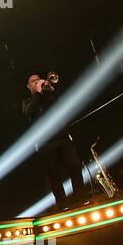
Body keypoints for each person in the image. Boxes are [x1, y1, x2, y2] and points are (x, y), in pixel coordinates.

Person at [22, 72, 86, 210]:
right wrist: (38, 93)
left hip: (62, 137)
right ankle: (62, 204)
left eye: (39, 79)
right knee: (54, 175)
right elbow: (31, 113)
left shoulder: (49, 97)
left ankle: (80, 198)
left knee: (75, 166)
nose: (37, 82)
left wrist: (52, 90)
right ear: (28, 86)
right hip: (46, 142)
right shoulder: (27, 102)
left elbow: (63, 104)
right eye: (33, 81)